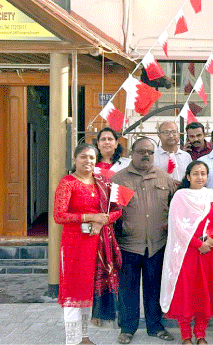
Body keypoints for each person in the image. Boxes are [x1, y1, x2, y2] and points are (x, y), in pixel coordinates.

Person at [54, 144, 122, 345]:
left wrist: (102, 221)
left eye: (92, 158)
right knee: (73, 293)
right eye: (83, 157)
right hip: (75, 245)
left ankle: (83, 338)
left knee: (88, 292)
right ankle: (72, 340)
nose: (88, 161)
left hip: (98, 245)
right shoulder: (67, 183)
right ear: (74, 159)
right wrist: (91, 217)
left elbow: (117, 210)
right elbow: (59, 216)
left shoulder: (102, 182)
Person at [112, 137, 177, 344]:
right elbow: (113, 212)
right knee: (127, 289)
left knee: (154, 288)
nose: (146, 155)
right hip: (129, 244)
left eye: (150, 152)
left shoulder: (164, 178)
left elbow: (174, 207)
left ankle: (155, 326)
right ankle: (127, 329)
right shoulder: (120, 179)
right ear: (132, 153)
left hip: (157, 244)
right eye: (141, 152)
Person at [160, 161, 213, 345]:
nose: (200, 177)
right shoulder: (180, 196)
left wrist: (212, 241)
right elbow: (178, 225)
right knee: (186, 293)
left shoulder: (211, 196)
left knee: (204, 293)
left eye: (203, 173)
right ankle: (186, 336)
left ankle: (200, 334)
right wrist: (198, 243)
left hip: (209, 252)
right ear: (188, 176)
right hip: (187, 252)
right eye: (196, 173)